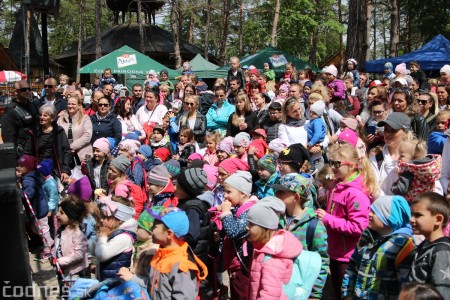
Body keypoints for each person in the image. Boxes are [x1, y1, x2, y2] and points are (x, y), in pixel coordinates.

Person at [315, 143, 379, 300]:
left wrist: (328, 219)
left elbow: (358, 227)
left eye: (337, 164)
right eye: (331, 162)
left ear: (351, 166)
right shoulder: (337, 185)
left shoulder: (355, 194)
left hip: (348, 256)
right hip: (335, 251)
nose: (333, 167)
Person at [342, 195, 415, 299]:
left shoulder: (402, 244)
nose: (369, 214)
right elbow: (353, 266)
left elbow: (405, 284)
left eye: (375, 212)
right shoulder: (366, 237)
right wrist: (347, 294)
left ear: (390, 217)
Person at [274, 174, 329, 299]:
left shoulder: (314, 225)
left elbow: (321, 261)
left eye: (281, 192)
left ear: (296, 197)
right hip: (276, 286)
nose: (276, 194)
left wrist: (315, 294)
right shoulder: (275, 219)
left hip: (300, 291)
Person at [246, 197, 306, 299]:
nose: (247, 227)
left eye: (251, 224)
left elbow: (270, 295)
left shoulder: (273, 258)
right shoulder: (266, 249)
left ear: (264, 228)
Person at [146, 206, 208, 299]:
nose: (151, 228)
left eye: (155, 226)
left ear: (169, 234)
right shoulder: (161, 254)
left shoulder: (181, 265)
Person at [218, 171, 258, 300]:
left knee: (242, 294)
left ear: (243, 193)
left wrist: (226, 213)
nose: (225, 196)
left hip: (243, 266)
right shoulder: (240, 207)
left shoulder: (250, 211)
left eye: (229, 192)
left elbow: (233, 231)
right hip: (236, 262)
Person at [406, 192, 450, 299]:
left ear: (438, 219)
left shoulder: (442, 251)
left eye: (418, 215)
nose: (411, 220)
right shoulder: (424, 245)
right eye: (411, 214)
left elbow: (442, 292)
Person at [94, 195, 137, 280]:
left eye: (106, 217)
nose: (102, 220)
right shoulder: (114, 232)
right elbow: (94, 251)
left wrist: (103, 237)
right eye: (102, 217)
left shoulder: (124, 237)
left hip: (116, 285)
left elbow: (102, 255)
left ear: (120, 219)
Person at [370, 112, 414, 195]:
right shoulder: (375, 161)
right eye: (386, 129)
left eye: (393, 130)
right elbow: (374, 190)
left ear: (406, 132)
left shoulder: (416, 157)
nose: (387, 134)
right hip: (385, 206)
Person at [17, 155, 52, 257]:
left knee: (43, 230)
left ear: (28, 168)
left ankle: (48, 248)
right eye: (17, 165)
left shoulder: (28, 180)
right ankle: (48, 243)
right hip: (39, 209)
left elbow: (28, 194)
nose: (18, 167)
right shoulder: (32, 176)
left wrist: (19, 192)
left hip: (38, 210)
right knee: (37, 228)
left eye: (21, 166)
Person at [53, 195, 89, 291]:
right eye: (58, 211)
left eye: (62, 213)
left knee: (75, 294)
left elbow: (78, 254)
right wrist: (53, 257)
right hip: (63, 271)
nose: (57, 214)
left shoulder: (77, 234)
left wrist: (59, 261)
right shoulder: (61, 230)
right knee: (65, 292)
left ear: (71, 216)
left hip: (75, 274)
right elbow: (58, 245)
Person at [1, 80, 39, 159]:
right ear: (16, 92)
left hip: (36, 149)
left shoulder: (32, 105)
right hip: (22, 153)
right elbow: (8, 138)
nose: (27, 91)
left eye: (29, 89)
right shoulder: (10, 111)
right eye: (23, 89)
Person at [37, 105, 72, 184]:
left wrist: (65, 171)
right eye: (40, 115)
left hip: (55, 169)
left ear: (52, 117)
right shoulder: (35, 132)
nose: (41, 117)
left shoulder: (59, 131)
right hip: (39, 168)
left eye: (45, 115)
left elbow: (66, 151)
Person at [58, 96, 93, 167]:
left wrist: (71, 147)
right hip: (65, 156)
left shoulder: (85, 118)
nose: (70, 106)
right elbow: (57, 135)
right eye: (69, 104)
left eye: (73, 104)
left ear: (79, 106)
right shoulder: (61, 119)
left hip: (82, 155)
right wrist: (66, 149)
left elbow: (87, 135)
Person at [307, 100, 326, 170]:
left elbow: (317, 134)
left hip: (315, 142)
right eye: (310, 112)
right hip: (315, 141)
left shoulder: (317, 122)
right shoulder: (315, 120)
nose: (311, 114)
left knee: (316, 159)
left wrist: (311, 143)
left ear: (319, 114)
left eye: (314, 113)